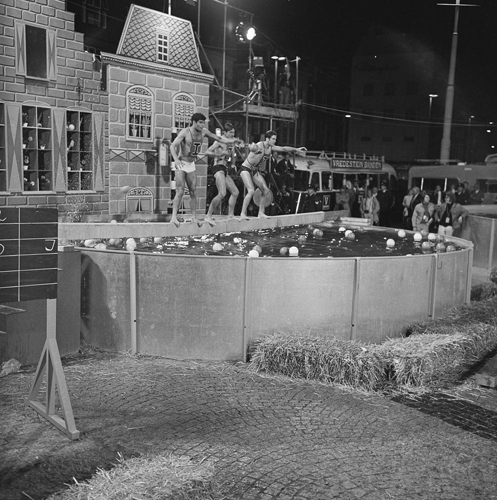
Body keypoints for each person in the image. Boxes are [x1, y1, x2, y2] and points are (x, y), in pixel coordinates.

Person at [169, 113, 240, 227]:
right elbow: (172, 146)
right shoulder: (185, 132)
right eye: (200, 122)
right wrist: (176, 160)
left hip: (191, 164)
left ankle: (193, 217)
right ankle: (173, 217)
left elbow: (218, 138)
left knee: (193, 192)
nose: (202, 125)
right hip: (182, 162)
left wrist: (233, 141)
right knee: (180, 191)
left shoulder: (204, 132)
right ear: (194, 122)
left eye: (203, 123)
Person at [239, 130, 306, 219]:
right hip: (246, 168)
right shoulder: (260, 145)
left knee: (266, 191)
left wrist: (296, 149)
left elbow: (283, 149)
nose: (275, 141)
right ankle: (242, 214)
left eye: (275, 139)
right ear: (267, 139)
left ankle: (261, 213)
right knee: (251, 191)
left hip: (254, 171)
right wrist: (251, 147)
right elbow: (252, 147)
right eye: (273, 139)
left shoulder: (271, 148)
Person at [204, 122, 240, 226]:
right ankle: (208, 216)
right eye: (231, 132)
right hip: (217, 168)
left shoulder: (230, 143)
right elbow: (207, 152)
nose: (233, 134)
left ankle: (230, 215)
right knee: (222, 193)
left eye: (233, 132)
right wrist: (219, 153)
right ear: (225, 132)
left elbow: (232, 156)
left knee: (235, 192)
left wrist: (233, 164)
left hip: (224, 169)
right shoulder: (219, 141)